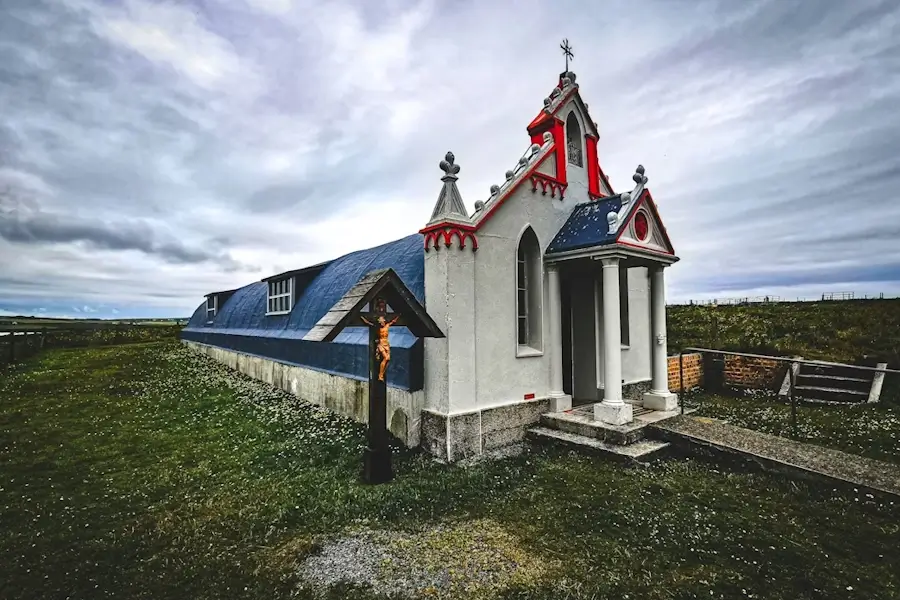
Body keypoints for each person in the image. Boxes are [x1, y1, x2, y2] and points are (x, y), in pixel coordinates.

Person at [361, 298, 400, 381]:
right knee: (386, 358)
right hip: (381, 344)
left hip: (387, 343)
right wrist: (362, 318)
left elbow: (394, 321)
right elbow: (368, 323)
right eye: (380, 321)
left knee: (388, 359)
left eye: (382, 321)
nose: (382, 322)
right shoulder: (377, 328)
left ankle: (381, 374)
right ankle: (380, 375)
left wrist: (399, 315)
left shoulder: (387, 326)